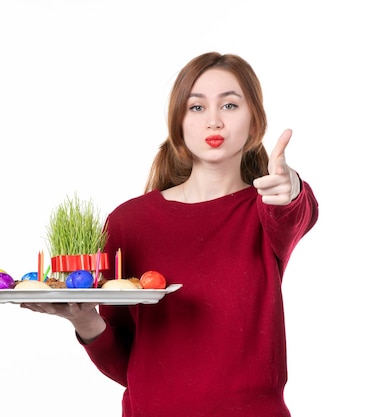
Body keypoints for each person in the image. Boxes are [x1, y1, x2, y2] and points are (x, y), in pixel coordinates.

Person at [21, 51, 319, 417]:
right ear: (177, 123)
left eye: (229, 105)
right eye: (196, 108)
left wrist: (292, 185)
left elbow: (296, 212)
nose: (213, 121)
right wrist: (85, 322)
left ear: (255, 123)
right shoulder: (128, 223)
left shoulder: (266, 212)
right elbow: (127, 368)